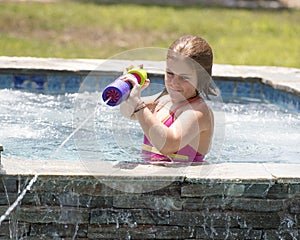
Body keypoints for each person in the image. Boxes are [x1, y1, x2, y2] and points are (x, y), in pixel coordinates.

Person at [120, 35, 217, 162]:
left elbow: (168, 145)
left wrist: (138, 104)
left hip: (182, 181)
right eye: (170, 74)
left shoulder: (199, 112)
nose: (174, 83)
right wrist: (129, 91)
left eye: (184, 77)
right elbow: (128, 113)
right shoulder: (163, 100)